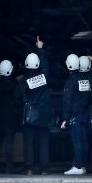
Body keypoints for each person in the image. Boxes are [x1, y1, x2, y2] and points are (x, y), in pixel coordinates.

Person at [21, 36, 51, 175]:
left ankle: (29, 168)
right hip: (43, 113)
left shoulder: (24, 80)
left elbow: (17, 96)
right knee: (43, 142)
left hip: (30, 115)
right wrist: (40, 49)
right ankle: (44, 169)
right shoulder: (44, 76)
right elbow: (45, 65)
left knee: (29, 143)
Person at [0, 60, 22, 174]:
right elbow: (18, 99)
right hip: (11, 115)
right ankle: (9, 166)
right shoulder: (14, 83)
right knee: (9, 142)